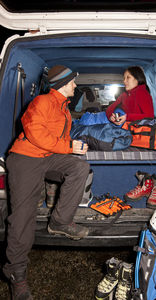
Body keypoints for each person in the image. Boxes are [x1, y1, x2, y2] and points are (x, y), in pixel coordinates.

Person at [3, 65, 90, 300]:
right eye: (73, 82)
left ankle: (60, 221)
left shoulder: (64, 109)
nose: (75, 85)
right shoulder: (42, 102)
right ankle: (17, 275)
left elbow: (57, 140)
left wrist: (74, 146)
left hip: (46, 157)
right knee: (22, 217)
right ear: (62, 84)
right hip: (25, 159)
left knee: (79, 167)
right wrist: (69, 147)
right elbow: (35, 133)